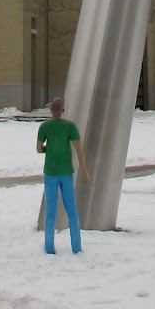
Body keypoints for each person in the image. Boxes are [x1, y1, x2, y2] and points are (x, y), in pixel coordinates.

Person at [36, 94, 91, 256]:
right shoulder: (70, 127)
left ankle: (49, 247)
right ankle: (76, 247)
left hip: (50, 172)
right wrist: (85, 172)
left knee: (50, 212)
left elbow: (39, 148)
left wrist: (49, 149)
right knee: (72, 212)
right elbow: (79, 150)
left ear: (51, 111)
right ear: (63, 110)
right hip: (66, 172)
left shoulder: (44, 127)